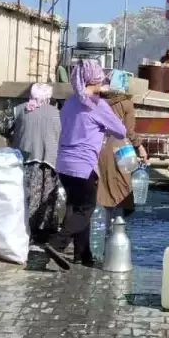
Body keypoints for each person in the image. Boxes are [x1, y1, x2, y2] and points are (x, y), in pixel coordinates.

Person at [43, 60, 128, 270]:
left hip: (63, 163)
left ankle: (83, 255)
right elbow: (121, 131)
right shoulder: (97, 104)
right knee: (87, 209)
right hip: (83, 165)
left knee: (76, 207)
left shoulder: (71, 102)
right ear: (94, 79)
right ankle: (56, 244)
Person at [0, 83, 62, 244]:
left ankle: (26, 230)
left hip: (25, 158)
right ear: (49, 97)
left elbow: (1, 127)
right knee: (48, 197)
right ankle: (45, 232)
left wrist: (14, 134)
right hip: (50, 160)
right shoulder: (58, 113)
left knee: (26, 196)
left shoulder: (19, 110)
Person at [96, 82, 148, 224]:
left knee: (103, 185)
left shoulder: (99, 101)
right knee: (122, 187)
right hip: (120, 148)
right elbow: (128, 131)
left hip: (99, 146)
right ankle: (117, 228)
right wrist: (140, 146)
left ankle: (102, 225)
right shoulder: (126, 104)